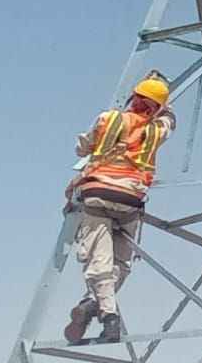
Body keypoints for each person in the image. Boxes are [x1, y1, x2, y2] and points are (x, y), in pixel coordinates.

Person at [64, 75, 175, 345]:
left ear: (133, 98)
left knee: (98, 261)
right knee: (121, 263)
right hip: (131, 199)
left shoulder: (108, 119)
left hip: (98, 194)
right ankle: (92, 303)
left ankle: (109, 317)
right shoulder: (156, 130)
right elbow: (171, 120)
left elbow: (82, 148)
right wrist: (164, 99)